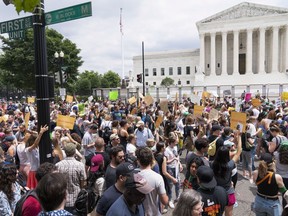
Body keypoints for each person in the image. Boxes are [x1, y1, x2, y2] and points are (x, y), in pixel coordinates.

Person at [211, 130, 242, 216]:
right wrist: (239, 138)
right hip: (228, 192)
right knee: (229, 213)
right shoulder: (229, 165)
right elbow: (239, 151)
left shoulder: (212, 164)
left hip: (215, 192)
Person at [136, 147, 168, 216]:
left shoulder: (133, 175)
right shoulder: (158, 177)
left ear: (138, 160)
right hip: (154, 213)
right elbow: (164, 201)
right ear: (151, 160)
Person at [56, 142, 87, 214]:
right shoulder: (80, 165)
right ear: (74, 152)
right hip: (76, 199)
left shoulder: (58, 165)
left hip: (62, 200)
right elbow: (83, 183)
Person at [25, 125, 49, 189]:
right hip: (34, 172)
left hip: (39, 171)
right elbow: (35, 143)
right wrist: (41, 133)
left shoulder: (37, 149)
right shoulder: (28, 149)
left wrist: (35, 132)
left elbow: (35, 135)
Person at [164, 136, 183, 208]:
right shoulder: (166, 150)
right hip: (170, 169)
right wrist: (173, 159)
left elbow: (177, 157)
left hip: (176, 167)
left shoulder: (175, 148)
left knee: (178, 183)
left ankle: (178, 197)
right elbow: (166, 162)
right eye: (175, 143)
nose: (176, 144)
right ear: (171, 142)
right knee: (171, 185)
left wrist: (180, 164)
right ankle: (170, 200)